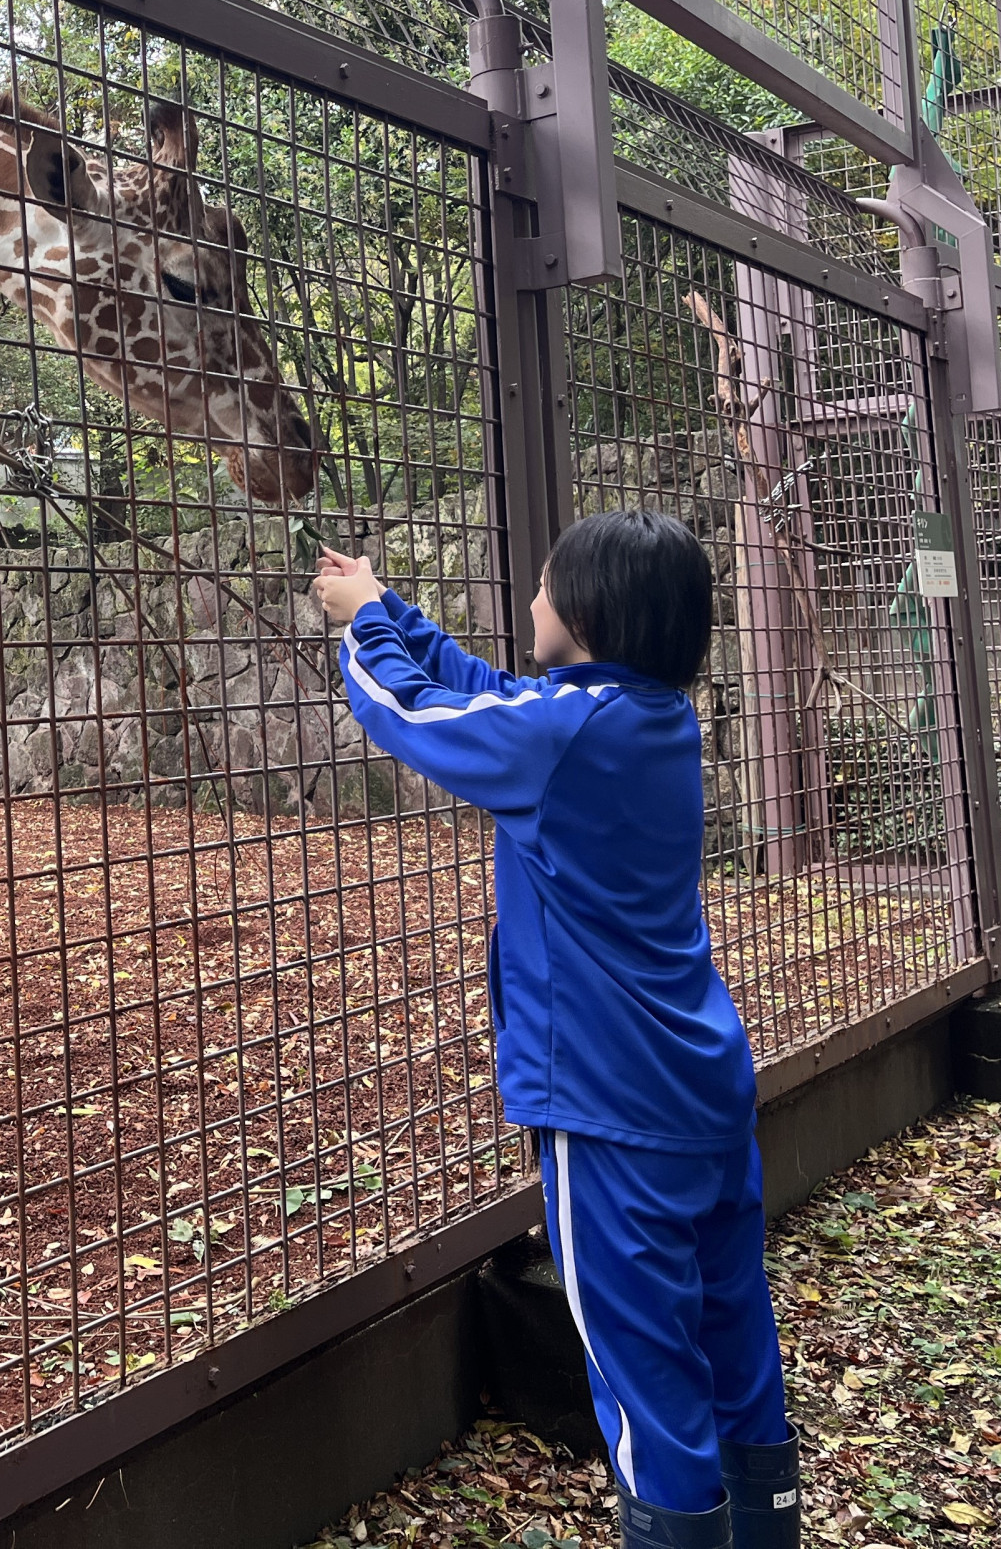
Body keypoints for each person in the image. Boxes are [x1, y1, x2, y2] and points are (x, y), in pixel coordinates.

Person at [313, 510, 797, 1549]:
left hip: (610, 1107)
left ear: (586, 611)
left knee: (646, 1381)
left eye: (542, 585)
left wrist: (358, 629)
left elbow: (412, 714)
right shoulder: (647, 718)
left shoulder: (562, 734)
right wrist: (389, 604)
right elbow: (489, 695)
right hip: (703, 1093)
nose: (530, 598)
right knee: (734, 1344)